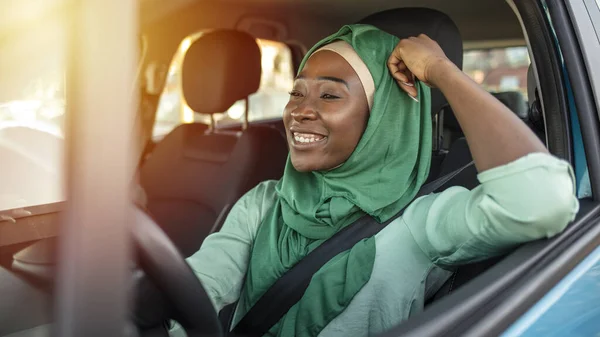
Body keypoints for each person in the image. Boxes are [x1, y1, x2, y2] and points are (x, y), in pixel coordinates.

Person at [168, 24, 579, 337]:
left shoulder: (418, 224)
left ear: (382, 117)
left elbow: (543, 201)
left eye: (329, 96)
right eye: (296, 93)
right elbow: (193, 291)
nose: (299, 111)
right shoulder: (264, 202)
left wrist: (441, 72)